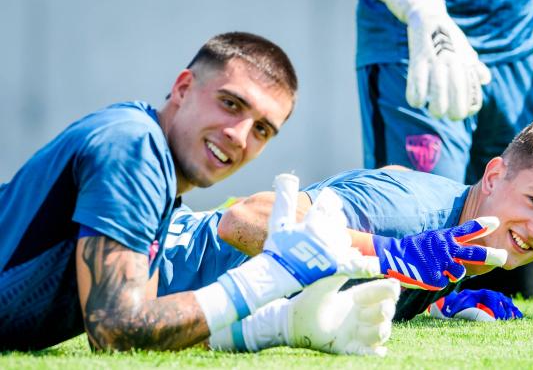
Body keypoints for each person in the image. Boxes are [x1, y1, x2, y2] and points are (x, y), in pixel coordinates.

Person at [0, 32, 398, 354]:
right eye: (230, 104)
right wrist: (272, 275)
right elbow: (114, 333)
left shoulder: (158, 168)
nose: (239, 136)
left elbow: (143, 317)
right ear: (183, 87)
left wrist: (280, 325)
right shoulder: (134, 148)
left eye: (262, 129)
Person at [353, 0, 533, 298]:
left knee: (514, 285)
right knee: (420, 244)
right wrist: (421, 11)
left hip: (513, 43)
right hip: (421, 41)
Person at [205, 117, 533, 324]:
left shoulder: (461, 238)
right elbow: (244, 219)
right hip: (167, 272)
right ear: (492, 176)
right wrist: (390, 255)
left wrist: (437, 298)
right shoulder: (410, 209)